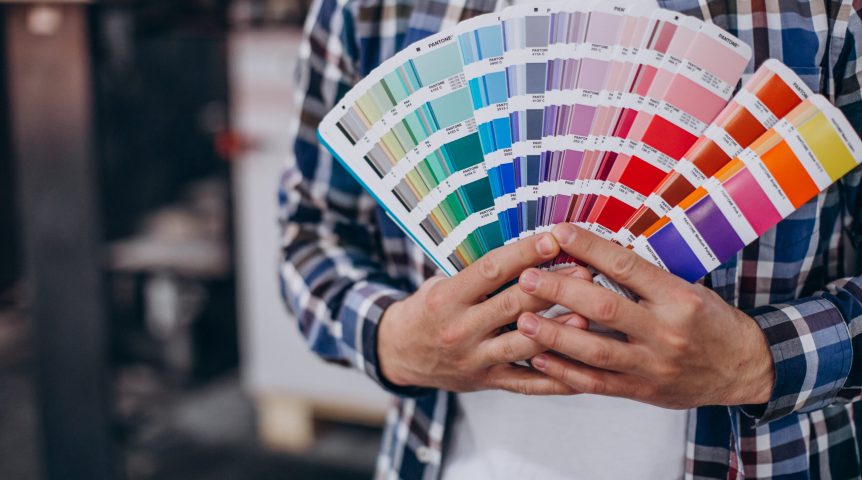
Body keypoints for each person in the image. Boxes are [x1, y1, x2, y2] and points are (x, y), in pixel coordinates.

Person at [280, 0, 862, 478]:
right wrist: (393, 340)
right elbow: (311, 234)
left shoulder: (824, 12)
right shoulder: (367, 8)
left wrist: (755, 361)